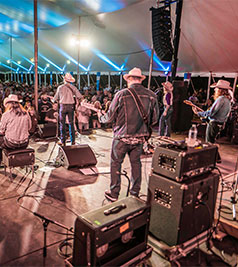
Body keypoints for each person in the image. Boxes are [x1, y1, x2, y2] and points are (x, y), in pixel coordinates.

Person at [98, 68, 159, 202]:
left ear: (129, 79)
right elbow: (154, 120)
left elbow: (109, 118)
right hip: (139, 139)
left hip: (121, 137)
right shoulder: (151, 95)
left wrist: (100, 117)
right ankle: (134, 193)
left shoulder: (122, 94)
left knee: (115, 164)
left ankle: (114, 193)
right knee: (136, 164)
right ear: (140, 79)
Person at [0, 94, 32, 171]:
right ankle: (20, 162)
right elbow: (29, 127)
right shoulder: (26, 113)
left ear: (9, 104)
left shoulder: (6, 114)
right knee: (6, 141)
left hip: (11, 143)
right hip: (24, 143)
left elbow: (1, 129)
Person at [192, 80, 232, 162]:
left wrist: (199, 113)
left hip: (214, 123)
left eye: (216, 88)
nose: (215, 90)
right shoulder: (228, 100)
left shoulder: (220, 99)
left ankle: (210, 160)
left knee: (209, 143)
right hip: (220, 124)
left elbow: (211, 113)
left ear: (220, 90)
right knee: (212, 141)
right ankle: (217, 158)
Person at [53, 73, 83, 146]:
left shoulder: (60, 87)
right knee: (71, 123)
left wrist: (54, 100)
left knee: (62, 124)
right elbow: (79, 96)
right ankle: (73, 141)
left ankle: (63, 141)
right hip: (71, 106)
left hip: (63, 106)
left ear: (64, 80)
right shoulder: (73, 87)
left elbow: (55, 98)